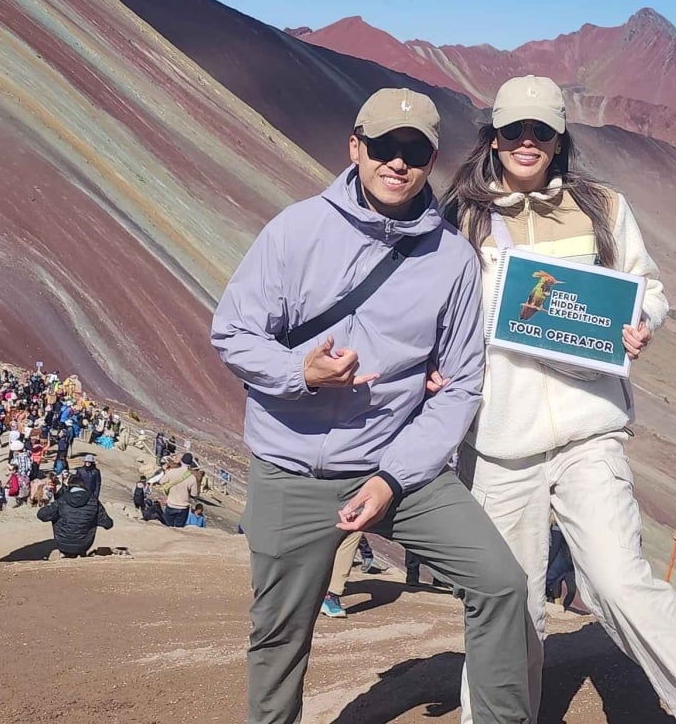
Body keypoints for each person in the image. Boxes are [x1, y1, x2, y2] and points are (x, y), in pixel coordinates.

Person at [211, 87, 535, 724]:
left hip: (398, 467)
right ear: (355, 147)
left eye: (414, 151)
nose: (398, 162)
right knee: (279, 636)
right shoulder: (296, 231)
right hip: (293, 471)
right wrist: (299, 373)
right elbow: (234, 333)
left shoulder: (452, 260)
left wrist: (392, 478)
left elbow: (462, 382)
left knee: (501, 583)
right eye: (385, 146)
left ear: (432, 161)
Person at [443, 75, 676, 724]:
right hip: (499, 443)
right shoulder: (464, 216)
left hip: (591, 429)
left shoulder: (603, 207)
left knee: (621, 584)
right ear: (494, 136)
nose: (527, 141)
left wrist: (641, 321)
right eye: (513, 129)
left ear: (559, 139)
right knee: (507, 605)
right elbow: (435, 309)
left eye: (541, 130)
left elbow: (647, 288)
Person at [37, 472, 115, 558]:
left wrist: (54, 510)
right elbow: (108, 524)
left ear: (70, 486)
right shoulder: (94, 501)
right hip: (85, 544)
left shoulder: (62, 500)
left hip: (63, 543)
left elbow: (41, 515)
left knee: (56, 515)